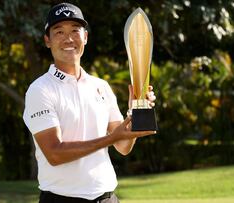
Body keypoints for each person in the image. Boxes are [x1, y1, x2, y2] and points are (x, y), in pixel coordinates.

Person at [23, 2, 156, 203]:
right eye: (59, 32)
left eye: (75, 30)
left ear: (85, 37)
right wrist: (110, 139)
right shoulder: (40, 89)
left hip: (107, 198)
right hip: (62, 199)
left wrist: (135, 111)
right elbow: (54, 153)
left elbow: (123, 145)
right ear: (47, 40)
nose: (68, 38)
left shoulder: (100, 86)